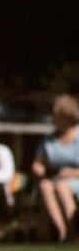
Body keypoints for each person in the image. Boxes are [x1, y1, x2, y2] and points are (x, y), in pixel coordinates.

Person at [32, 94, 79, 242]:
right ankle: (61, 231)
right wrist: (38, 168)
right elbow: (37, 162)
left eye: (54, 114)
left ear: (65, 116)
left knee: (61, 186)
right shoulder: (49, 139)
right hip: (55, 178)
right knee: (45, 185)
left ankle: (73, 230)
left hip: (75, 179)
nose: (52, 118)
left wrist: (72, 172)